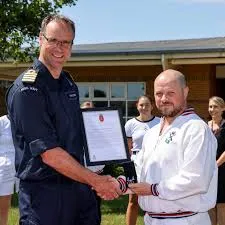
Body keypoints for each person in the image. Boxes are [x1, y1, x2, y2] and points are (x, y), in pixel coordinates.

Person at [6, 15, 121, 225]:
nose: (60, 48)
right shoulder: (27, 89)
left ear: (72, 46)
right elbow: (48, 153)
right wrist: (96, 181)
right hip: (44, 196)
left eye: (66, 42)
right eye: (53, 40)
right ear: (41, 39)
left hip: (78, 188)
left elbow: (75, 134)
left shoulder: (68, 84)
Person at [129, 69, 218, 225]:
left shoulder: (196, 129)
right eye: (159, 94)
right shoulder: (152, 133)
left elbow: (196, 180)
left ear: (185, 92)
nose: (164, 99)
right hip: (152, 219)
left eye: (171, 93)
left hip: (185, 220)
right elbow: (143, 173)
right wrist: (123, 184)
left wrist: (152, 189)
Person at [125, 95, 160, 225]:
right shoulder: (130, 124)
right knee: (133, 200)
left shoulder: (160, 122)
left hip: (154, 163)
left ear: (152, 106)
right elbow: (128, 147)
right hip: (135, 163)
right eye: (141, 105)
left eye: (147, 105)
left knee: (152, 198)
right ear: (137, 106)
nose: (144, 108)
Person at [80, 101, 105, 223]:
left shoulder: (102, 130)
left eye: (90, 110)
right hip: (78, 177)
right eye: (84, 110)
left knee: (94, 212)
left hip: (97, 176)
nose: (87, 113)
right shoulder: (73, 130)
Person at [208, 96, 225, 225]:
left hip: (222, 170)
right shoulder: (204, 126)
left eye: (216, 106)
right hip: (208, 170)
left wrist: (215, 165)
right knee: (210, 204)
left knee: (221, 205)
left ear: (223, 108)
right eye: (210, 106)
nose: (212, 109)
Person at [0, 115, 18, 225]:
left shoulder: (26, 120)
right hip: (3, 167)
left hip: (22, 166)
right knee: (3, 205)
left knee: (27, 204)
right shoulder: (2, 121)